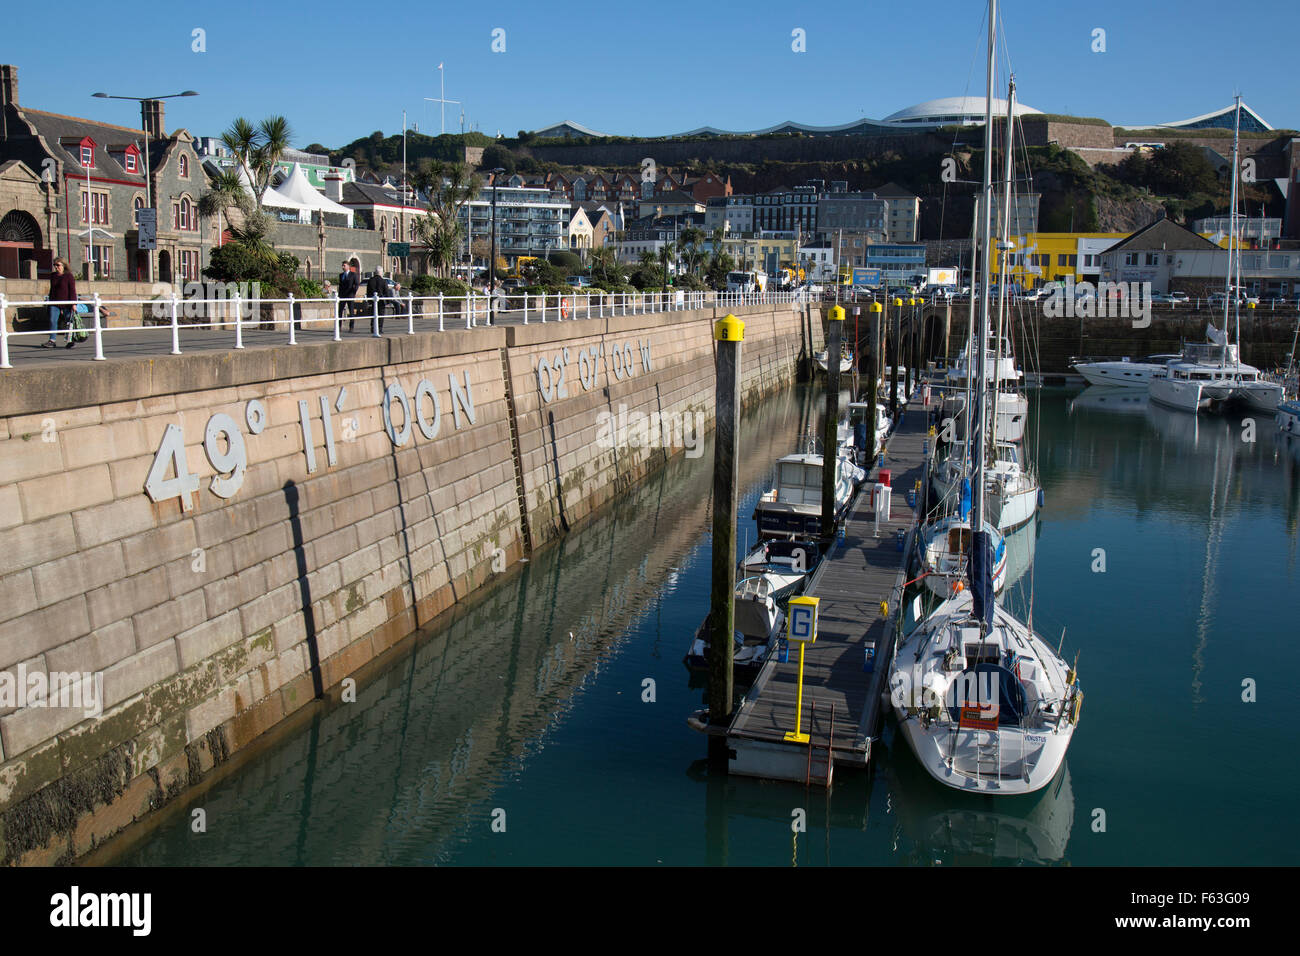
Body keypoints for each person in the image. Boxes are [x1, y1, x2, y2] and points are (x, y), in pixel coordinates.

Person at [43, 258, 77, 349]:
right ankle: (52, 340)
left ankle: (70, 340)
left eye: (58, 265)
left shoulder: (68, 276)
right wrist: (49, 302)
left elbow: (72, 290)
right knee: (52, 320)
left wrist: (74, 304)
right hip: (54, 302)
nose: (56, 267)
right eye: (55, 265)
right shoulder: (53, 276)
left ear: (63, 265)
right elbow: (52, 290)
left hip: (66, 303)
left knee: (68, 322)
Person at [365, 267, 388, 334]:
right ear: (381, 272)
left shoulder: (370, 280)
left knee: (373, 314)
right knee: (380, 315)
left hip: (372, 300)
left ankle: (372, 328)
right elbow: (386, 291)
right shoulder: (383, 281)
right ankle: (379, 329)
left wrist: (369, 300)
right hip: (381, 300)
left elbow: (368, 290)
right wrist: (387, 301)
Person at [340, 260, 360, 330]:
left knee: (351, 311)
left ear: (348, 266)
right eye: (342, 265)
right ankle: (339, 326)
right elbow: (340, 286)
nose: (343, 267)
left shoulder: (353, 274)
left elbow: (357, 284)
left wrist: (353, 292)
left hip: (350, 295)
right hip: (342, 296)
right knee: (340, 311)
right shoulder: (341, 275)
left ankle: (351, 327)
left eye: (344, 265)